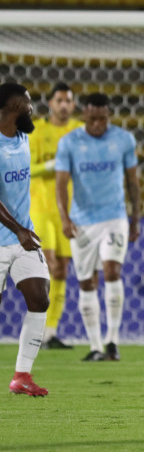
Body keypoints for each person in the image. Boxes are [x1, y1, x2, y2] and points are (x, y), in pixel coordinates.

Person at [55, 93, 141, 362]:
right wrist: (65, 219)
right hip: (82, 221)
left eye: (102, 119)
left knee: (112, 271)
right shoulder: (69, 142)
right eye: (92, 119)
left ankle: (112, 342)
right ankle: (94, 347)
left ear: (109, 116)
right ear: (84, 116)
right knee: (85, 282)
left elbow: (133, 182)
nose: (97, 124)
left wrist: (135, 217)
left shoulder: (123, 139)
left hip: (114, 217)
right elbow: (60, 184)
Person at [0, 82, 51, 396]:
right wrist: (18, 229)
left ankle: (22, 376)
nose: (33, 108)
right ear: (15, 106)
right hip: (9, 235)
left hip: (23, 237)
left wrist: (22, 231)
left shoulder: (23, 139)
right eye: (29, 103)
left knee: (39, 298)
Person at [29, 82, 83, 350]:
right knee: (47, 266)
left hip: (69, 210)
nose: (64, 105)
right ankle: (36, 329)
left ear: (73, 106)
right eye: (59, 100)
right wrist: (53, 164)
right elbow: (28, 168)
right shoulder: (37, 130)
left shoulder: (79, 132)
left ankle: (49, 334)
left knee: (62, 268)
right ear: (50, 103)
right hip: (40, 207)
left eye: (68, 101)